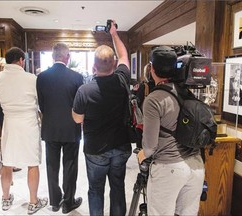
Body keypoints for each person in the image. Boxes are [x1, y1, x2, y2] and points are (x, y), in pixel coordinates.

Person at [72, 20, 132, 216]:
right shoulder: (123, 80)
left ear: (93, 67)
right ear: (114, 64)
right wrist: (113, 33)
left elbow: (77, 119)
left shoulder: (84, 90)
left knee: (96, 190)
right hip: (121, 147)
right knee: (118, 187)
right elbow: (124, 55)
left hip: (96, 149)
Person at [137, 46, 205, 215]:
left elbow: (150, 147)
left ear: (152, 68)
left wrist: (142, 154)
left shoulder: (154, 99)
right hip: (196, 165)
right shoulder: (187, 92)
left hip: (169, 168)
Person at [0, 47, 48, 214]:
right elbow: (40, 102)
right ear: (21, 60)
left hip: (9, 123)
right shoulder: (32, 79)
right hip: (28, 123)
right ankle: (33, 202)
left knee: (7, 162)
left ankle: (5, 198)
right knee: (33, 163)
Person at [36, 42, 83, 214]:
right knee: (70, 166)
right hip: (71, 128)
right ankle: (68, 202)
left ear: (53, 56)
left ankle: (55, 201)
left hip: (50, 128)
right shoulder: (77, 77)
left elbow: (41, 104)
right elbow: (80, 105)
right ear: (67, 57)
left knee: (52, 166)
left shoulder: (41, 77)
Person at [0, 58, 22, 173]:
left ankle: (10, 164)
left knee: (7, 140)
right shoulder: (0, 79)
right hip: (3, 113)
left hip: (2, 112)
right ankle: (9, 164)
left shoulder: (0, 79)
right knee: (7, 141)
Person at [131, 63, 155, 148]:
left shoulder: (144, 86)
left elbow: (137, 101)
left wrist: (133, 92)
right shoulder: (161, 86)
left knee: (141, 144)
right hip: (157, 120)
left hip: (144, 121)